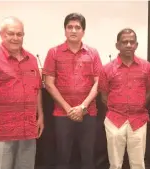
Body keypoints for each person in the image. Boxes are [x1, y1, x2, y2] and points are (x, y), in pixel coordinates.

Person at [0, 16, 44, 169]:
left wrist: (41, 116)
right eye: (11, 34)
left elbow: (37, 89)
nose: (15, 38)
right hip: (0, 132)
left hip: (27, 130)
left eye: (19, 34)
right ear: (2, 34)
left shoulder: (31, 59)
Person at [43, 13, 102, 169]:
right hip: (62, 113)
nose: (73, 31)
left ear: (83, 31)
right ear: (65, 30)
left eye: (78, 27)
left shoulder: (93, 53)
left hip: (88, 112)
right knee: (62, 157)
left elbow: (99, 82)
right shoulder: (53, 52)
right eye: (70, 27)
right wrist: (69, 109)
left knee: (88, 157)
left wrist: (83, 107)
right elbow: (49, 83)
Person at [99, 28, 150, 169]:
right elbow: (104, 96)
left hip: (138, 120)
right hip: (114, 119)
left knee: (138, 164)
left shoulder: (146, 67)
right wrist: (118, 107)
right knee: (115, 164)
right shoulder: (107, 69)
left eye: (132, 42)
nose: (129, 45)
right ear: (117, 45)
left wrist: (140, 104)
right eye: (125, 42)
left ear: (136, 45)